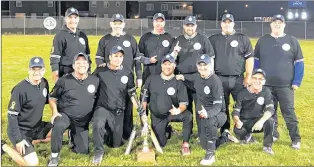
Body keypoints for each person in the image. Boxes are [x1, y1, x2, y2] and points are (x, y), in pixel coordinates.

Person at [176, 54, 238, 165]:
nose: (202, 68)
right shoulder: (197, 77)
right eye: (200, 66)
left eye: (205, 66)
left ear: (210, 65)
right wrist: (179, 77)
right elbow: (186, 78)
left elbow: (218, 107)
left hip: (218, 114)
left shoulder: (215, 81)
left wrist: (208, 114)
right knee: (204, 143)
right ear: (197, 66)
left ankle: (210, 154)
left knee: (210, 121)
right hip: (204, 113)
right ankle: (224, 138)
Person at [254, 14, 304, 149]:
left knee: (289, 112)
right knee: (270, 111)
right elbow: (256, 62)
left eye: (280, 22)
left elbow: (299, 63)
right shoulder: (262, 41)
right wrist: (256, 80)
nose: (277, 24)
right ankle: (273, 134)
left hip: (285, 85)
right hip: (267, 85)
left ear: (284, 24)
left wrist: (296, 81)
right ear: (270, 25)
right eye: (274, 22)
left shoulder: (292, 41)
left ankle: (295, 138)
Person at [95, 13, 143, 140]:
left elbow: (138, 59)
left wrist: (139, 76)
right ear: (111, 24)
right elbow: (99, 58)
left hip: (127, 79)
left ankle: (127, 133)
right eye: (115, 23)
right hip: (110, 80)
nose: (117, 26)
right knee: (110, 106)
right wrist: (103, 70)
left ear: (123, 24)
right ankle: (108, 131)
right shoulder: (104, 40)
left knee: (127, 106)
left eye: (119, 23)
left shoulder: (131, 39)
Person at [48, 53, 99, 166]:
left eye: (84, 63)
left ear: (88, 65)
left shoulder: (95, 80)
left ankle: (72, 135)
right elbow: (52, 97)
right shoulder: (64, 80)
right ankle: (54, 156)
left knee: (83, 151)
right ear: (73, 65)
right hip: (66, 116)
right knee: (59, 124)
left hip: (82, 121)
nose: (81, 65)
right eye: (78, 63)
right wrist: (55, 112)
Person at [169, 16, 215, 137]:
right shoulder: (178, 40)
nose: (190, 27)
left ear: (196, 26)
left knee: (200, 107)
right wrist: (174, 52)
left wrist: (211, 76)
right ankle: (187, 134)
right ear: (184, 26)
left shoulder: (203, 39)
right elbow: (171, 60)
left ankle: (202, 134)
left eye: (192, 25)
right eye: (187, 25)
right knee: (186, 107)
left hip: (199, 79)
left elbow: (210, 58)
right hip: (182, 80)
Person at [208, 13, 254, 134]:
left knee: (243, 104)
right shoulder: (213, 39)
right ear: (221, 24)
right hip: (219, 78)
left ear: (233, 24)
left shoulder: (242, 38)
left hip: (238, 79)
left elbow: (249, 58)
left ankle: (244, 130)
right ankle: (225, 130)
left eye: (229, 22)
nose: (227, 24)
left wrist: (248, 76)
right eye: (225, 22)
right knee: (222, 106)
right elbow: (208, 59)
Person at [91, 46, 138, 165]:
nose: (118, 59)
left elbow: (131, 92)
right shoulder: (100, 71)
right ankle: (98, 152)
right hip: (103, 108)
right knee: (98, 123)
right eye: (115, 56)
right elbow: (90, 87)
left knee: (116, 144)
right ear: (109, 57)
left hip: (118, 111)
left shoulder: (127, 73)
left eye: (120, 56)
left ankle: (107, 133)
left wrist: (138, 106)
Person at [141, 54, 193, 155]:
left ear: (174, 66)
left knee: (188, 116)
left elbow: (184, 104)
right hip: (157, 116)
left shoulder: (179, 82)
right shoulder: (151, 79)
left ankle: (185, 144)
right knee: (160, 144)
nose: (167, 67)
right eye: (165, 64)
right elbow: (144, 99)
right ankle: (168, 130)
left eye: (170, 64)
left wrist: (178, 110)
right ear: (161, 66)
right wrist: (144, 115)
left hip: (172, 113)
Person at [7, 57, 52, 166]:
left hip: (36, 127)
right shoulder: (20, 89)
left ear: (44, 70)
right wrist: (18, 139)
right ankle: (3, 147)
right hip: (21, 130)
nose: (37, 72)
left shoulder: (44, 83)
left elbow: (48, 99)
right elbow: (11, 116)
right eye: (33, 69)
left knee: (60, 129)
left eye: (39, 69)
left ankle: (32, 142)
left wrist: (55, 113)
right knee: (32, 163)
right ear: (29, 70)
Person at [232, 69, 275, 155]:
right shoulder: (242, 93)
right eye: (255, 78)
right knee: (237, 130)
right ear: (250, 79)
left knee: (270, 121)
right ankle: (247, 136)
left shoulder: (266, 91)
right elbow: (236, 111)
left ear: (264, 81)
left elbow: (270, 109)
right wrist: (237, 120)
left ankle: (267, 146)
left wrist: (261, 121)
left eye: (260, 79)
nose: (257, 81)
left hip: (258, 122)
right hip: (245, 121)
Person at [50, 7, 91, 83]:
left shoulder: (83, 35)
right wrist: (56, 81)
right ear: (65, 19)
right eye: (70, 17)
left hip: (82, 74)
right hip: (67, 75)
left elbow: (87, 57)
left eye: (75, 17)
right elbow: (54, 60)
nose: (73, 20)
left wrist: (88, 73)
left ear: (78, 19)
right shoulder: (60, 36)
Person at [138, 13, 175, 84]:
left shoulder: (170, 37)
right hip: (148, 75)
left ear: (164, 23)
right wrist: (148, 60)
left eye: (161, 21)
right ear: (153, 23)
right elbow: (138, 56)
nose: (159, 23)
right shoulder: (145, 37)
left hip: (165, 76)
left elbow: (173, 57)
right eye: (156, 21)